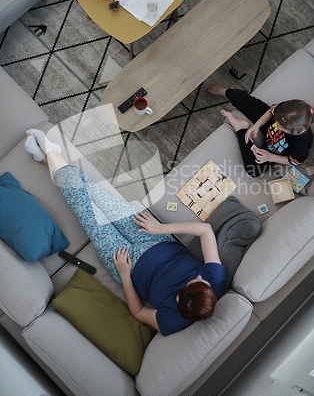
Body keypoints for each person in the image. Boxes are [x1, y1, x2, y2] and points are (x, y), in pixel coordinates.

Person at [25, 129, 228, 336]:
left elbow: (139, 312)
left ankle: (50, 155)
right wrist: (160, 228)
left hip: (127, 265)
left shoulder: (172, 321)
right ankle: (49, 157)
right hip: (152, 237)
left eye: (186, 287)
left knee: (84, 207)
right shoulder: (215, 279)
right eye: (197, 281)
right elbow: (205, 230)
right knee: (97, 192)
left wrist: (124, 275)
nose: (195, 278)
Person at [208, 85, 314, 177]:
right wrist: (257, 125)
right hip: (267, 125)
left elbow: (294, 161)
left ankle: (240, 128)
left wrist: (270, 157)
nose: (278, 127)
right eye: (277, 123)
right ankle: (223, 91)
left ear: (296, 131)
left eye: (281, 128)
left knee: (253, 170)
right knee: (241, 98)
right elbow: (270, 112)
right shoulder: (286, 109)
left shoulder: (300, 144)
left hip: (274, 149)